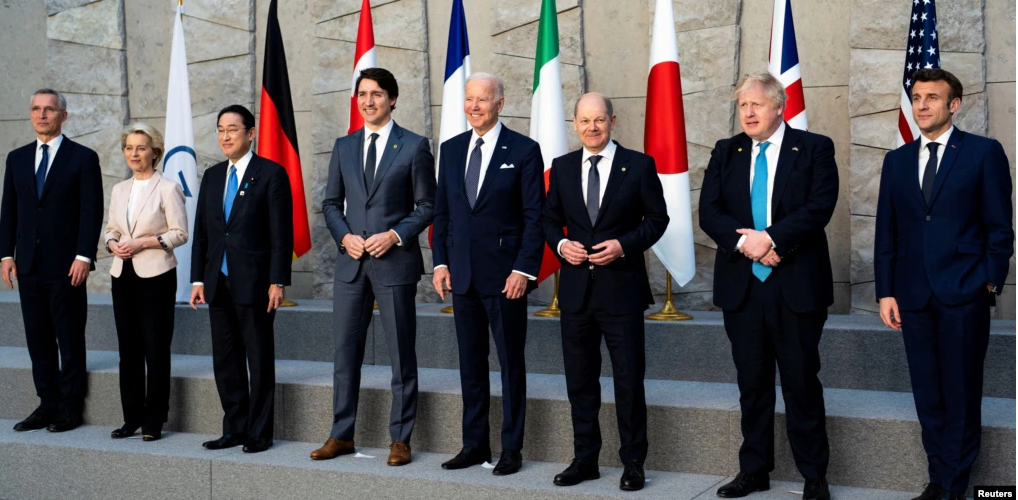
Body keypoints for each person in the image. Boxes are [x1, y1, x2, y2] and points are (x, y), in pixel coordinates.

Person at [874, 68, 1013, 500]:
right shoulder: (897, 161)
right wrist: (885, 290)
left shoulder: (983, 153)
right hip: (912, 295)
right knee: (928, 395)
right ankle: (938, 479)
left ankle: (955, 485)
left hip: (965, 292)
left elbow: (999, 227)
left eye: (932, 97)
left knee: (961, 393)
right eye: (917, 97)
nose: (922, 105)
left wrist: (989, 282)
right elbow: (886, 231)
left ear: (954, 104)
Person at [699, 73, 838, 500]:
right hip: (743, 288)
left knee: (801, 383)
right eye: (743, 105)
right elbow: (710, 211)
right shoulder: (726, 151)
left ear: (779, 106)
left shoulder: (814, 147)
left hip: (795, 286)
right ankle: (754, 470)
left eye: (756, 104)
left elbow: (820, 206)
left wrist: (772, 239)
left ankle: (813, 476)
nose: (748, 112)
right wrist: (749, 244)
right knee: (752, 384)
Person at [541, 93, 668, 491]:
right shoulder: (562, 168)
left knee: (628, 381)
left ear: (612, 121)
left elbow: (658, 219)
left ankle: (633, 463)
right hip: (576, 293)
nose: (592, 127)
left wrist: (624, 245)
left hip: (622, 292)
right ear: (575, 124)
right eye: (584, 121)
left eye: (599, 120)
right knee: (580, 382)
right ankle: (585, 459)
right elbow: (548, 220)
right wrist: (562, 245)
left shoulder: (639, 165)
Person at [314, 68, 436, 466]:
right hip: (351, 265)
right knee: (344, 355)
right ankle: (341, 434)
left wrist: (395, 235)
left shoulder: (414, 146)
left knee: (401, 355)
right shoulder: (344, 145)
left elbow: (427, 205)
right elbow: (331, 204)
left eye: (377, 94)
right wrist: (344, 237)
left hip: (394, 263)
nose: (369, 101)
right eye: (363, 94)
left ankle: (400, 439)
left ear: (392, 99)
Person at [431, 72, 545, 476]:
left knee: (511, 364)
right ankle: (474, 445)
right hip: (461, 276)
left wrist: (523, 270)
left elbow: (535, 217)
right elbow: (442, 213)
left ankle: (511, 448)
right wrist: (440, 262)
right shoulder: (451, 149)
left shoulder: (525, 150)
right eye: (469, 99)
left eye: (482, 99)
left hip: (506, 278)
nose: (474, 106)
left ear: (500, 103)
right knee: (471, 364)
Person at [189, 104, 293, 453]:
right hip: (217, 282)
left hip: (256, 283)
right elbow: (203, 232)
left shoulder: (271, 173)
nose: (225, 136)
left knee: (258, 359)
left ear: (251, 133)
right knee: (226, 360)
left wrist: (277, 280)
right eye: (220, 129)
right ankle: (234, 428)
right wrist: (197, 279)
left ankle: (260, 432)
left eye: (232, 129)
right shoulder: (213, 175)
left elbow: (281, 234)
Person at [1, 88, 104, 433]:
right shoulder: (16, 158)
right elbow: (9, 210)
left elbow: (91, 211)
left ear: (63, 115)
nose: (42, 115)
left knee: (69, 338)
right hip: (28, 264)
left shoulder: (83, 158)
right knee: (38, 338)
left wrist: (84, 255)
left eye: (49, 109)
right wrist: (6, 254)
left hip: (67, 265)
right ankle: (47, 404)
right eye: (36, 109)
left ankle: (70, 408)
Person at [103, 123, 188, 441]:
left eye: (141, 148)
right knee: (128, 350)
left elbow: (180, 233)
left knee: (155, 349)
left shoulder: (168, 187)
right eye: (129, 148)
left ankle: (154, 420)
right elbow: (111, 228)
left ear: (155, 152)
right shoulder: (119, 189)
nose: (134, 153)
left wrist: (142, 243)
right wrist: (113, 244)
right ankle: (131, 417)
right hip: (122, 274)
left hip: (157, 276)